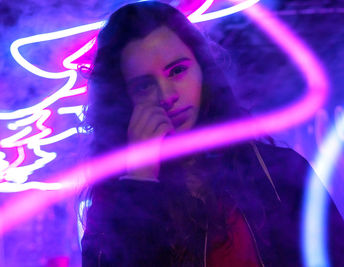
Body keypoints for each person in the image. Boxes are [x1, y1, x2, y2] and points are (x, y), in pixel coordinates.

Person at [80, 2, 344, 266]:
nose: (167, 96)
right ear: (125, 100)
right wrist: (140, 182)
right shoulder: (114, 202)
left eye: (177, 70)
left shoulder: (280, 171)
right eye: (144, 86)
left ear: (202, 70)